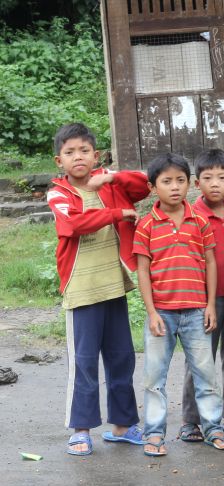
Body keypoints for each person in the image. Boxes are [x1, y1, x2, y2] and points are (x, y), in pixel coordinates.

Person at [47, 123, 147, 456]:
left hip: (114, 286)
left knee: (122, 358)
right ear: (58, 161)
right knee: (84, 362)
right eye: (70, 152)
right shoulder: (59, 193)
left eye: (84, 151)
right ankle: (81, 429)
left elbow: (144, 186)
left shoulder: (107, 182)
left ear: (96, 155)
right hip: (82, 290)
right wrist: (117, 212)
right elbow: (73, 225)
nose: (78, 157)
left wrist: (113, 178)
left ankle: (121, 425)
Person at [134, 153, 224, 455]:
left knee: (206, 376)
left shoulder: (199, 221)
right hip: (161, 314)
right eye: (166, 181)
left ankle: (213, 428)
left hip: (195, 312)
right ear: (154, 187)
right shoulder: (146, 225)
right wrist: (151, 312)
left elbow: (210, 263)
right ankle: (154, 434)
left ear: (189, 184)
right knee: (154, 378)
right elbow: (142, 269)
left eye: (180, 180)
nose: (174, 187)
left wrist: (208, 305)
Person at [178, 149, 224, 443]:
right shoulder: (190, 217)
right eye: (207, 177)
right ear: (197, 183)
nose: (215, 183)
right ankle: (191, 421)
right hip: (203, 302)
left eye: (222, 177)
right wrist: (202, 303)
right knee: (199, 361)